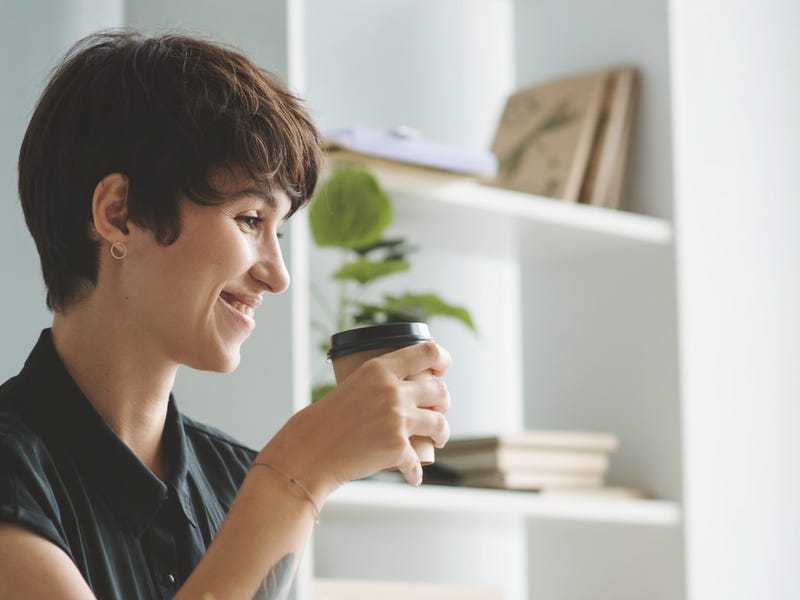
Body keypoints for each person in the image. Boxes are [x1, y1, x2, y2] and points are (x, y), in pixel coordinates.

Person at [0, 30, 451, 599]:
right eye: (248, 219)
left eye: (279, 229)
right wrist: (296, 476)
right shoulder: (271, 486)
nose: (278, 274)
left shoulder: (240, 480)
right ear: (120, 214)